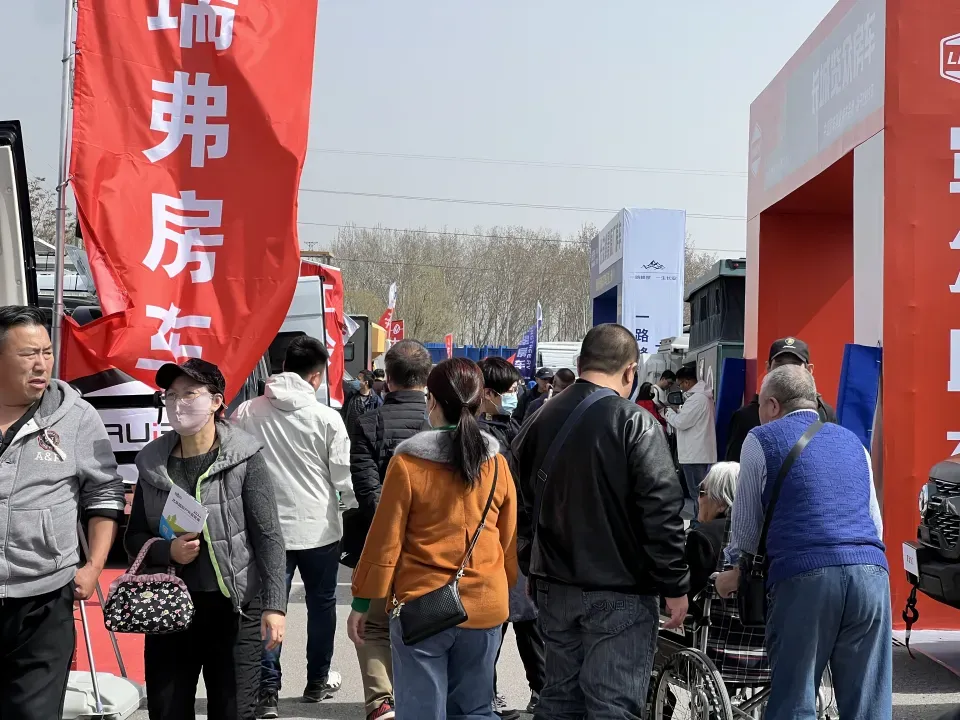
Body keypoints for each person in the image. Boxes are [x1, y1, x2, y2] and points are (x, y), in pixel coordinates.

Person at [511, 323, 689, 720]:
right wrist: (675, 584)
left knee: (559, 701)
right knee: (613, 706)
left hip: (553, 584)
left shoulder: (538, 418)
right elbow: (661, 511)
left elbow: (518, 504)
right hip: (620, 588)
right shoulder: (634, 422)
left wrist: (529, 564)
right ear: (630, 371)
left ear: (580, 364)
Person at [347, 358, 518, 720]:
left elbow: (384, 541)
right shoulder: (496, 465)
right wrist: (505, 585)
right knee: (475, 710)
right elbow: (507, 541)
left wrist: (362, 601)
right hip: (485, 605)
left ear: (433, 402)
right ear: (480, 403)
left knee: (421, 712)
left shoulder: (409, 465)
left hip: (422, 606)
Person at [716, 365, 890, 720]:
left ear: (773, 405)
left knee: (795, 699)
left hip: (804, 576)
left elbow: (746, 525)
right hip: (871, 574)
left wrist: (735, 569)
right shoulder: (854, 443)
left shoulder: (760, 439)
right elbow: (875, 523)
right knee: (869, 704)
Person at [126, 359, 287, 720]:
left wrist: (275, 606)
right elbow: (134, 537)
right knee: (167, 711)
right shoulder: (152, 463)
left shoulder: (244, 457)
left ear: (216, 401)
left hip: (235, 610)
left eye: (189, 394)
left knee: (234, 711)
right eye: (171, 395)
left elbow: (269, 536)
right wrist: (168, 550)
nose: (178, 403)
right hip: (169, 608)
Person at [0, 305, 126, 720]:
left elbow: (104, 491)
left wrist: (94, 566)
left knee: (33, 712)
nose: (41, 364)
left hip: (44, 598)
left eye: (47, 352)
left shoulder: (75, 416)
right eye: (27, 354)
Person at [233, 337, 357, 718]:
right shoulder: (327, 418)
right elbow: (342, 479)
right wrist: (348, 509)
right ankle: (317, 680)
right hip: (320, 529)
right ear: (316, 377)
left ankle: (267, 690)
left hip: (265, 529)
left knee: (270, 606)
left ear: (284, 366)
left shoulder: (247, 412)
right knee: (322, 607)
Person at [345, 339, 433, 720]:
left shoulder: (368, 423)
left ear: (389, 380)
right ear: (426, 378)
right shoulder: (440, 422)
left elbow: (367, 491)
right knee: (431, 623)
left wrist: (391, 526)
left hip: (379, 543)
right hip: (433, 545)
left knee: (374, 626)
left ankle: (381, 701)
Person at [476, 357, 543, 719]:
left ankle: (539, 690)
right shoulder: (480, 437)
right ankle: (485, 695)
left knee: (524, 619)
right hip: (498, 540)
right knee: (497, 622)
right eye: (512, 390)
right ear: (489, 393)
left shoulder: (514, 426)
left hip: (520, 537)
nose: (516, 395)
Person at [725, 337, 837, 462]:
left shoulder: (824, 413)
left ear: (809, 370)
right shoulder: (746, 417)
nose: (787, 370)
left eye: (794, 364)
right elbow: (735, 468)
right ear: (768, 368)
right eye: (780, 364)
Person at [664, 365, 717, 524]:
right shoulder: (702, 397)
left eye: (680, 384)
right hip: (699, 452)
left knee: (697, 494)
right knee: (700, 493)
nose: (680, 388)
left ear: (687, 382)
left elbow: (681, 422)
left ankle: (698, 524)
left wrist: (668, 413)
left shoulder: (697, 399)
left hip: (694, 454)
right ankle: (700, 522)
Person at [685, 462, 738, 599]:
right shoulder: (758, 528)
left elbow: (691, 591)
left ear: (721, 503)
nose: (698, 499)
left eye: (702, 492)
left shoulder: (702, 536)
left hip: (711, 609)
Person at [345, 370, 383, 440]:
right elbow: (344, 413)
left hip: (365, 438)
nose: (355, 380)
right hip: (350, 436)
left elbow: (379, 422)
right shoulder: (351, 395)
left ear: (366, 382)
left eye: (359, 379)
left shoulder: (376, 401)